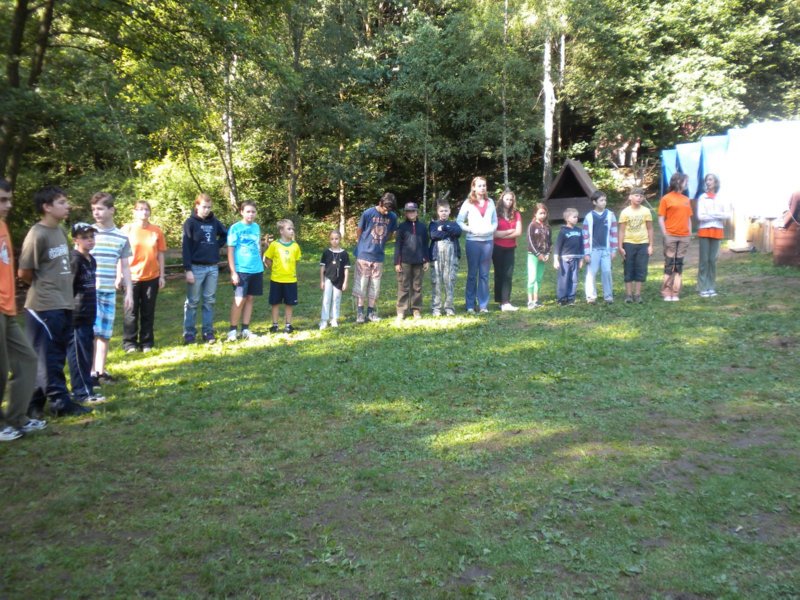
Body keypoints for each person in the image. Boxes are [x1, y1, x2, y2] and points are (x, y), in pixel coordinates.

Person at [19, 186, 90, 417]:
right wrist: (46, 288)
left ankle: (35, 404)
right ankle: (59, 402)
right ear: (47, 207)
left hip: (63, 302)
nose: (67, 206)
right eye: (61, 202)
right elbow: (24, 272)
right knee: (47, 356)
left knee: (57, 355)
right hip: (44, 305)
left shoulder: (59, 230)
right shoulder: (37, 234)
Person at [0, 179, 45, 440]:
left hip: (7, 308)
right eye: (2, 200)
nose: (8, 205)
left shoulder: (3, 225)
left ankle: (16, 418)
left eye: (9, 199)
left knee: (27, 359)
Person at [90, 192, 133, 384]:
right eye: (93, 209)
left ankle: (101, 370)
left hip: (108, 291)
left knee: (105, 332)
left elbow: (125, 267)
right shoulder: (88, 233)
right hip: (89, 291)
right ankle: (90, 372)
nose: (96, 213)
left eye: (100, 209)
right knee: (91, 332)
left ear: (111, 210)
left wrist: (129, 292)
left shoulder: (121, 237)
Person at [67, 223, 105, 406]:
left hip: (89, 313)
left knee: (87, 353)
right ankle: (81, 392)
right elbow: (68, 288)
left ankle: (87, 387)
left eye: (92, 237)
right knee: (78, 355)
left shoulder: (91, 260)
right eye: (85, 237)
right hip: (76, 316)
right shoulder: (74, 260)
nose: (90, 240)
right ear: (75, 240)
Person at [182, 193, 227, 344]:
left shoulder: (214, 222)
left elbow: (225, 234)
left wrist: (216, 246)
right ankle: (189, 333)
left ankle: (208, 332)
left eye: (209, 207)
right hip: (196, 267)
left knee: (209, 301)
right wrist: (188, 269)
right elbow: (186, 247)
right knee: (192, 302)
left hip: (212, 268)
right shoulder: (190, 223)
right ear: (197, 206)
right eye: (204, 207)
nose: (206, 210)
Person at [122, 201, 167, 352]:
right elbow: (119, 254)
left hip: (152, 277)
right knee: (131, 312)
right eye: (140, 209)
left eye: (146, 209)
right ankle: (130, 343)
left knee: (148, 312)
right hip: (131, 278)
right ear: (134, 212)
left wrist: (162, 276)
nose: (144, 212)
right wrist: (118, 275)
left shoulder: (156, 231)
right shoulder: (127, 230)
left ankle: (146, 343)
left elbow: (160, 254)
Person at [353, 193, 398, 323]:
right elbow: (359, 230)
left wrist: (381, 242)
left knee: (375, 285)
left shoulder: (393, 217)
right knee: (361, 284)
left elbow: (390, 234)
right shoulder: (368, 213)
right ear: (380, 203)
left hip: (378, 256)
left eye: (389, 209)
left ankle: (371, 312)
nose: (386, 212)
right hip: (364, 255)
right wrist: (362, 244)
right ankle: (360, 313)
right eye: (385, 208)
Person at [456, 176, 497, 314]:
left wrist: (491, 229)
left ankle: (483, 305)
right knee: (472, 274)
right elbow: (459, 221)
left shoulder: (491, 202)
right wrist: (470, 229)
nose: (482, 188)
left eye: (484, 185)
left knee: (484, 275)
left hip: (488, 242)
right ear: (473, 187)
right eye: (479, 185)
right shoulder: (468, 202)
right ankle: (470, 305)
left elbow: (495, 221)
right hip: (473, 242)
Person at [226, 201, 263, 341]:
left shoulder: (256, 227)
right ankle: (232, 331)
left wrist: (260, 262)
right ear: (241, 212)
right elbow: (230, 250)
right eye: (248, 211)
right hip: (241, 270)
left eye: (253, 211)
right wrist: (233, 272)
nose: (251, 214)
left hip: (256, 269)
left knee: (250, 298)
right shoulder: (235, 228)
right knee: (239, 299)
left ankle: (245, 329)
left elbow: (258, 246)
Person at [658, 173, 692, 302]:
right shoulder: (666, 198)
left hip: (684, 237)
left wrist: (689, 234)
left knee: (679, 265)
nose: (687, 184)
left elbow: (689, 218)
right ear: (678, 182)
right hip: (671, 235)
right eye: (685, 181)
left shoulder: (686, 199)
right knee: (669, 264)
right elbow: (661, 218)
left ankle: (675, 292)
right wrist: (665, 234)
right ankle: (666, 291)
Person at [696, 174, 731, 297]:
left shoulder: (722, 198)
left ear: (716, 182)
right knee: (704, 260)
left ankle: (711, 286)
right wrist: (717, 215)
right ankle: (702, 287)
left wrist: (712, 214)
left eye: (710, 179)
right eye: (707, 180)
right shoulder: (702, 197)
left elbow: (727, 214)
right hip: (704, 230)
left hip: (717, 230)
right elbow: (701, 216)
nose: (708, 182)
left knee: (713, 260)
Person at [264, 219, 301, 333]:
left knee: (289, 303)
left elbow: (296, 261)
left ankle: (288, 325)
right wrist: (274, 270)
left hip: (290, 280)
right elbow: (267, 259)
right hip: (276, 279)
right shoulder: (274, 245)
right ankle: (275, 325)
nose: (292, 231)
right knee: (275, 302)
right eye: (289, 229)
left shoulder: (295, 246)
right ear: (281, 231)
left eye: (292, 229)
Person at [617, 188, 654, 304]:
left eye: (641, 196)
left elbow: (650, 228)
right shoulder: (625, 212)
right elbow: (621, 231)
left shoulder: (646, 211)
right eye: (636, 195)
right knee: (628, 268)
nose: (639, 198)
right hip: (628, 243)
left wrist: (650, 245)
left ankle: (637, 294)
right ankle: (628, 294)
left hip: (643, 243)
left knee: (641, 268)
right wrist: (620, 246)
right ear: (630, 197)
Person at [394, 202, 429, 321]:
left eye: (413, 211)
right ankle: (401, 310)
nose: (411, 213)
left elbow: (425, 244)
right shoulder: (402, 227)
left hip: (419, 261)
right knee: (403, 285)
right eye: (408, 211)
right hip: (405, 261)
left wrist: (426, 260)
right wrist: (397, 262)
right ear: (405, 213)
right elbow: (398, 245)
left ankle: (416, 309)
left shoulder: (422, 227)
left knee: (417, 286)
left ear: (417, 212)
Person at [582, 190, 618, 304]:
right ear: (594, 202)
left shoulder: (610, 215)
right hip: (593, 250)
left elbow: (614, 233)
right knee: (591, 273)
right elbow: (585, 236)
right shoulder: (589, 217)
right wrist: (586, 253)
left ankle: (608, 296)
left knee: (607, 271)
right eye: (601, 200)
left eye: (605, 200)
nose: (604, 202)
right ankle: (591, 297)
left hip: (606, 250)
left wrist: (613, 250)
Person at [428, 199, 461, 316]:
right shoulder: (433, 224)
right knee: (436, 281)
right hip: (436, 256)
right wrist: (448, 232)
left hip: (451, 256)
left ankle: (449, 308)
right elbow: (433, 235)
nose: (444, 213)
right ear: (438, 212)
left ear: (449, 211)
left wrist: (443, 229)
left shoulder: (454, 224)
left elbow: (458, 232)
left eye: (446, 210)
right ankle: (436, 308)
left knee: (449, 280)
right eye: (441, 211)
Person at [492, 189, 522, 311]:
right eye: (506, 199)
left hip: (510, 248)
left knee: (508, 275)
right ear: (502, 199)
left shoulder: (516, 214)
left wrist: (502, 234)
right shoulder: (495, 214)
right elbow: (493, 234)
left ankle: (506, 301)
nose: (509, 202)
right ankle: (500, 301)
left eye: (511, 200)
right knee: (499, 274)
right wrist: (509, 231)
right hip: (497, 247)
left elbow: (518, 232)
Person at [319, 230, 350, 329]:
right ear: (329, 240)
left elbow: (346, 269)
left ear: (340, 239)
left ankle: (334, 319)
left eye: (336, 239)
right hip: (328, 278)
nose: (334, 241)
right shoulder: (326, 253)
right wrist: (322, 281)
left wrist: (345, 282)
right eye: (332, 239)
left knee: (336, 299)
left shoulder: (344, 254)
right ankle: (324, 320)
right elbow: (322, 267)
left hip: (339, 280)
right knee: (326, 299)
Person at [553, 207, 584, 306]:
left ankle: (571, 298)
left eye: (577, 217)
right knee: (564, 278)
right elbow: (558, 246)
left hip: (576, 259)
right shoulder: (563, 231)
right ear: (567, 219)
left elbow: (581, 246)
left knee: (574, 279)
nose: (576, 218)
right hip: (564, 259)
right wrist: (555, 260)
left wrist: (581, 259)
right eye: (574, 217)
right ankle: (562, 298)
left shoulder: (579, 231)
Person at [526, 203, 551, 309]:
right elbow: (530, 241)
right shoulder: (532, 226)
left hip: (543, 256)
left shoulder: (547, 227)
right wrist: (538, 254)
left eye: (544, 213)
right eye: (540, 213)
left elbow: (549, 242)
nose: (543, 215)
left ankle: (536, 300)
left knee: (539, 278)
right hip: (533, 255)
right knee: (532, 278)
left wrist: (547, 253)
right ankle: (530, 301)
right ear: (535, 213)